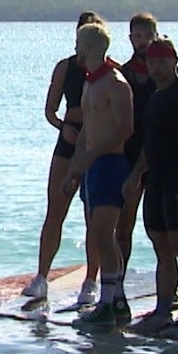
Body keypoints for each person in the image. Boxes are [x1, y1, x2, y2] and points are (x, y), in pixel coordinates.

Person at [127, 37, 178, 338]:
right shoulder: (154, 97)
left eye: (162, 62)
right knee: (161, 249)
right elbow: (149, 144)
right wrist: (135, 175)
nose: (156, 68)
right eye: (152, 62)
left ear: (174, 61)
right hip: (156, 181)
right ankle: (163, 312)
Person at [21, 11, 103, 307]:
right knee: (55, 210)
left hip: (95, 145)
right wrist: (63, 127)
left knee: (94, 217)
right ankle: (41, 277)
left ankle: (91, 281)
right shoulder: (65, 68)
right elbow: (50, 111)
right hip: (68, 140)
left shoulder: (110, 71)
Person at [68, 19, 136, 327]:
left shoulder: (115, 83)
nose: (76, 50)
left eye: (78, 44)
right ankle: (115, 299)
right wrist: (76, 164)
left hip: (111, 163)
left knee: (104, 233)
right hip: (92, 166)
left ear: (89, 47)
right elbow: (87, 127)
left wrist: (94, 153)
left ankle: (109, 301)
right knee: (97, 232)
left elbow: (125, 128)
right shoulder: (89, 83)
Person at [114, 12, 162, 272]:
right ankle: (117, 282)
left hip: (160, 159)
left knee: (161, 231)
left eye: (147, 36)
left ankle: (168, 285)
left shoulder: (170, 75)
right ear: (130, 38)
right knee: (123, 227)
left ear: (156, 36)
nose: (142, 42)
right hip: (129, 157)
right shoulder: (122, 75)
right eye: (137, 36)